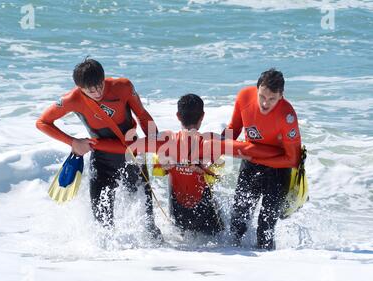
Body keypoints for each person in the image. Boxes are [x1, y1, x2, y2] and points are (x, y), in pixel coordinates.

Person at [36, 58, 163, 242]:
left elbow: (142, 114)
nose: (97, 92)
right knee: (102, 223)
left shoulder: (123, 86)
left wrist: (154, 140)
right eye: (91, 90)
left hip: (132, 154)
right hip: (102, 159)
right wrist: (73, 142)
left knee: (147, 218)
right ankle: (104, 264)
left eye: (100, 86)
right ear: (80, 88)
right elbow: (42, 122)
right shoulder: (72, 99)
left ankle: (156, 255)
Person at [129, 94, 284, 236]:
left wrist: (162, 164)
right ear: (202, 116)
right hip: (208, 219)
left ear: (177, 116)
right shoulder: (211, 143)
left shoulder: (164, 142)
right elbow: (248, 150)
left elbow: (132, 149)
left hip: (178, 217)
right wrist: (282, 152)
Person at [223, 68, 302, 250]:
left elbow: (292, 159)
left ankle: (266, 272)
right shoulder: (244, 97)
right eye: (262, 97)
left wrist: (256, 157)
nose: (265, 103)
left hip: (278, 171)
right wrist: (216, 147)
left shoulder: (287, 116)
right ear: (257, 89)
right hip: (250, 164)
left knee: (265, 229)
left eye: (272, 99)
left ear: (281, 96)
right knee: (237, 223)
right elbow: (232, 131)